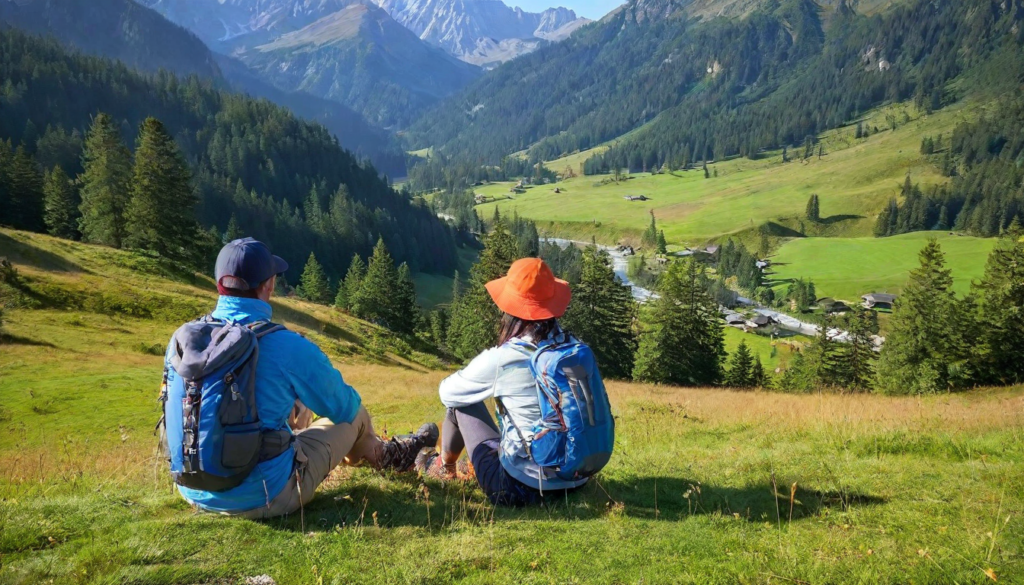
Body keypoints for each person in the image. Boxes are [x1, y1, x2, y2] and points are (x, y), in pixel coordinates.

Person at [164, 238, 438, 518]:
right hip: (268, 494)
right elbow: (344, 406)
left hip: (194, 491)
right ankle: (390, 456)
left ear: (219, 284)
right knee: (356, 415)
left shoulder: (184, 341)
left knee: (290, 412)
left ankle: (388, 453)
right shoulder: (286, 346)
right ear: (268, 284)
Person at [416, 258, 589, 506]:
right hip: (576, 479)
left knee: (460, 404)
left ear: (511, 308)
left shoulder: (505, 357)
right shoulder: (573, 347)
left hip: (521, 488)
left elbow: (448, 393)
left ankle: (445, 468)